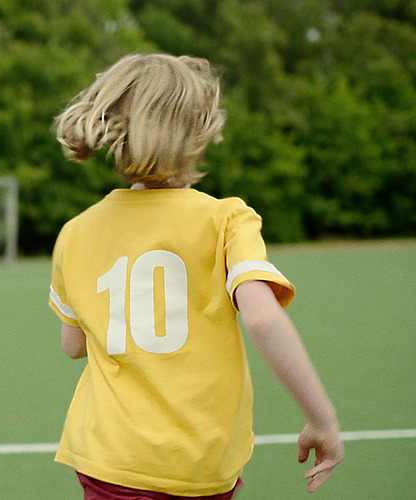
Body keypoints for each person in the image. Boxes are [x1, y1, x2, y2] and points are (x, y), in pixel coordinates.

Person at [47, 54, 344, 499]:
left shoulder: (77, 231)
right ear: (200, 129)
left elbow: (73, 345)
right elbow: (262, 319)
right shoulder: (228, 219)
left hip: (111, 461)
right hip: (202, 464)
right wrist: (323, 420)